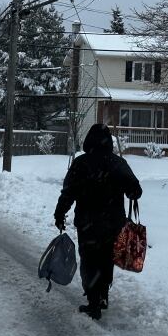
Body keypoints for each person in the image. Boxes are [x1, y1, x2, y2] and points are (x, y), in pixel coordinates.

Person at [54, 123, 142, 320]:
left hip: (88, 223)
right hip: (113, 223)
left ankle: (93, 301)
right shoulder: (117, 163)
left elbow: (68, 193)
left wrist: (60, 214)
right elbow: (136, 191)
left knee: (89, 260)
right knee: (106, 259)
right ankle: (103, 295)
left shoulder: (81, 163)